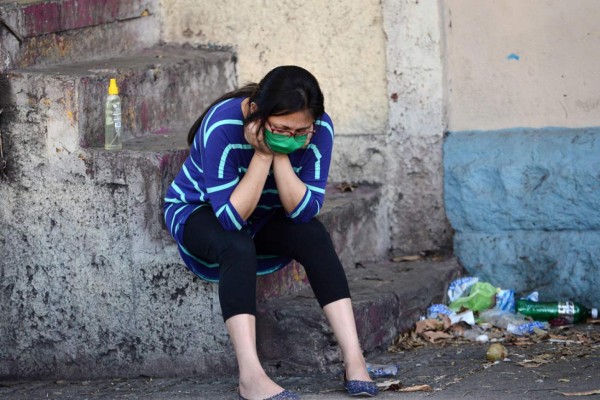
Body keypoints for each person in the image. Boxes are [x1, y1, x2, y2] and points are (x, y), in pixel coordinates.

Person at [164, 66, 378, 399]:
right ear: (254, 111)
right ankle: (250, 376)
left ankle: (354, 359)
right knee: (236, 245)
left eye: (299, 131)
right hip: (199, 212)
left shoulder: (320, 130)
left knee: (313, 235)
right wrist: (263, 154)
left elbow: (304, 211)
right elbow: (231, 219)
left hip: (264, 215)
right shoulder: (223, 124)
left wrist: (279, 154)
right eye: (281, 128)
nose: (292, 136)